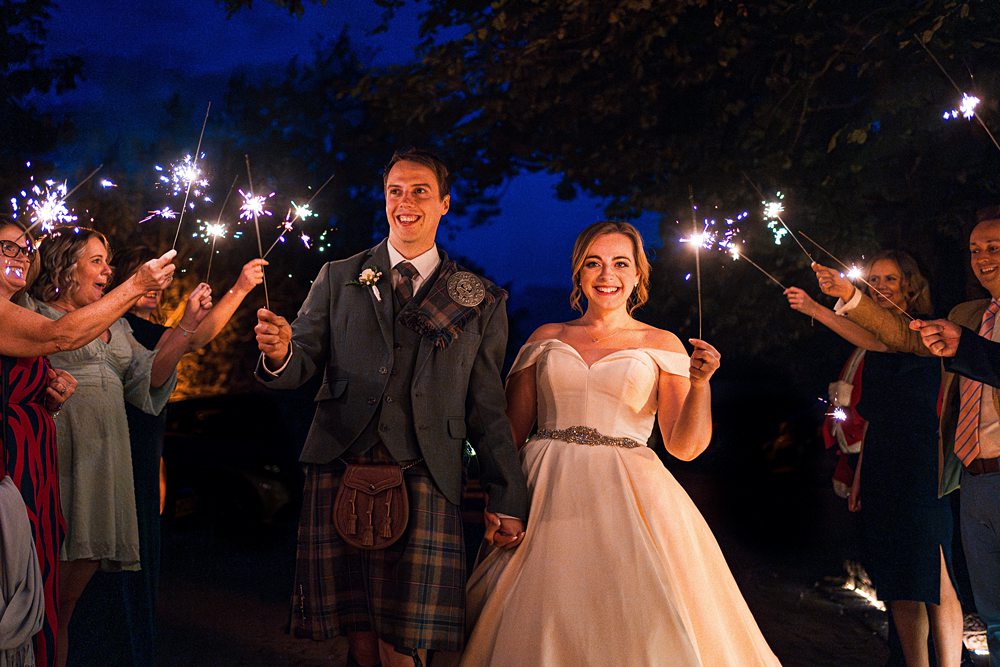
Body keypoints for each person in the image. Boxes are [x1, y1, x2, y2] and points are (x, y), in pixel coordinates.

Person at [254, 148, 529, 667]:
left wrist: (506, 493)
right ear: (385, 201)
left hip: (428, 472)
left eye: (420, 190)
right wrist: (279, 351)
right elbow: (299, 363)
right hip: (341, 464)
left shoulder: (479, 298)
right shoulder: (339, 276)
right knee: (359, 635)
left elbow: (488, 407)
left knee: (403, 646)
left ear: (445, 204)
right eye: (395, 191)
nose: (406, 202)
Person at [459, 221, 778, 666]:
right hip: (545, 488)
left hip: (629, 495)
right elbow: (509, 435)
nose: (606, 274)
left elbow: (685, 446)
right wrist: (501, 498)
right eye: (594, 263)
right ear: (579, 273)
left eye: (619, 263)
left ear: (636, 276)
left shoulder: (661, 343)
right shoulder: (545, 338)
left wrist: (700, 385)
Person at [815, 211, 1000, 666]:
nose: (982, 258)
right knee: (992, 614)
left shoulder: (958, 326)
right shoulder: (966, 315)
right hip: (970, 477)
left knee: (939, 580)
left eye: (994, 247)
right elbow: (899, 338)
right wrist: (846, 296)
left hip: (930, 470)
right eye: (975, 249)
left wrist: (965, 345)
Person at [67, 248, 266, 667]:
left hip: (142, 457)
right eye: (144, 278)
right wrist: (242, 287)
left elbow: (185, 340)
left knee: (135, 565)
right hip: (116, 455)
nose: (156, 287)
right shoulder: (120, 325)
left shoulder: (132, 333)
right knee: (109, 570)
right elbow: (196, 336)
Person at [0, 221, 176, 667]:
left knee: (43, 608)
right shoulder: (30, 315)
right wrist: (136, 285)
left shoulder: (22, 313)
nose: (21, 256)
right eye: (7, 247)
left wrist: (49, 394)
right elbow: (57, 336)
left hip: (33, 469)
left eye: (26, 249)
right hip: (10, 471)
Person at [790, 251, 963, 667]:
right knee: (898, 576)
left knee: (934, 572)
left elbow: (885, 335)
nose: (881, 286)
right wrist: (861, 475)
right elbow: (869, 346)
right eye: (875, 280)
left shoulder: (926, 331)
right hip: (884, 460)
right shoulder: (873, 344)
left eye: (890, 279)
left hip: (925, 461)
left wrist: (828, 302)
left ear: (910, 284)